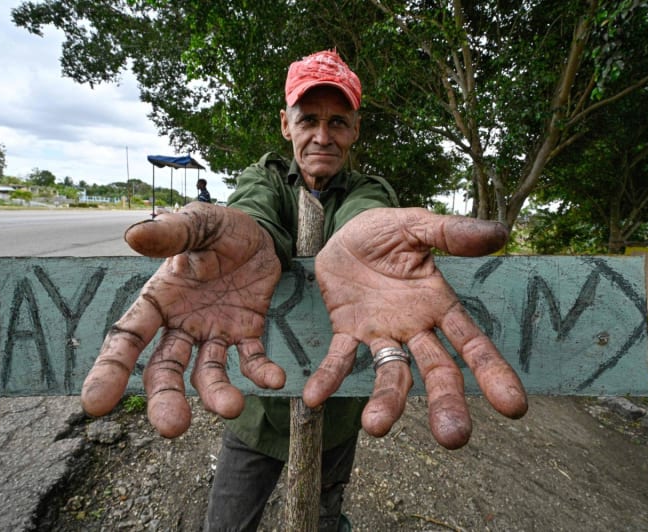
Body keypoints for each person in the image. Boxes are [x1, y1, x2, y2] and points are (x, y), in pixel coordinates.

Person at [81, 50, 528, 531]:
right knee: (226, 523)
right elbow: (256, 217)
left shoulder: (368, 189)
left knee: (324, 516)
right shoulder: (264, 178)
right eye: (308, 119)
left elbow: (365, 218)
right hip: (256, 414)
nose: (322, 135)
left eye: (338, 122)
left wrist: (364, 246)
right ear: (285, 124)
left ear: (355, 129)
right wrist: (248, 241)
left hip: (337, 415)